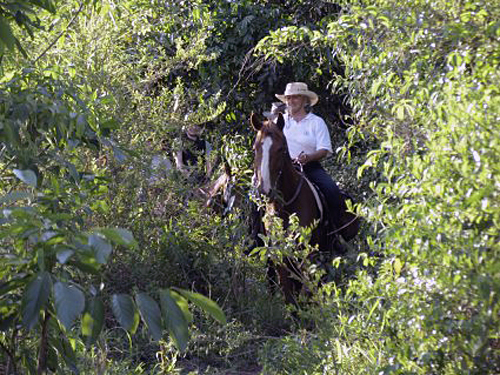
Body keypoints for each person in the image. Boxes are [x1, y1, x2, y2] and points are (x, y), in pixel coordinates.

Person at [274, 82, 344, 227]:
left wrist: (308, 157)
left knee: (332, 190)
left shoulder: (316, 122)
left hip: (310, 167)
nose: (291, 101)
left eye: (295, 97)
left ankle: (335, 232)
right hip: (281, 169)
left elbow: (324, 149)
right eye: (288, 98)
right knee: (256, 194)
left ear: (305, 100)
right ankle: (255, 238)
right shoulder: (278, 122)